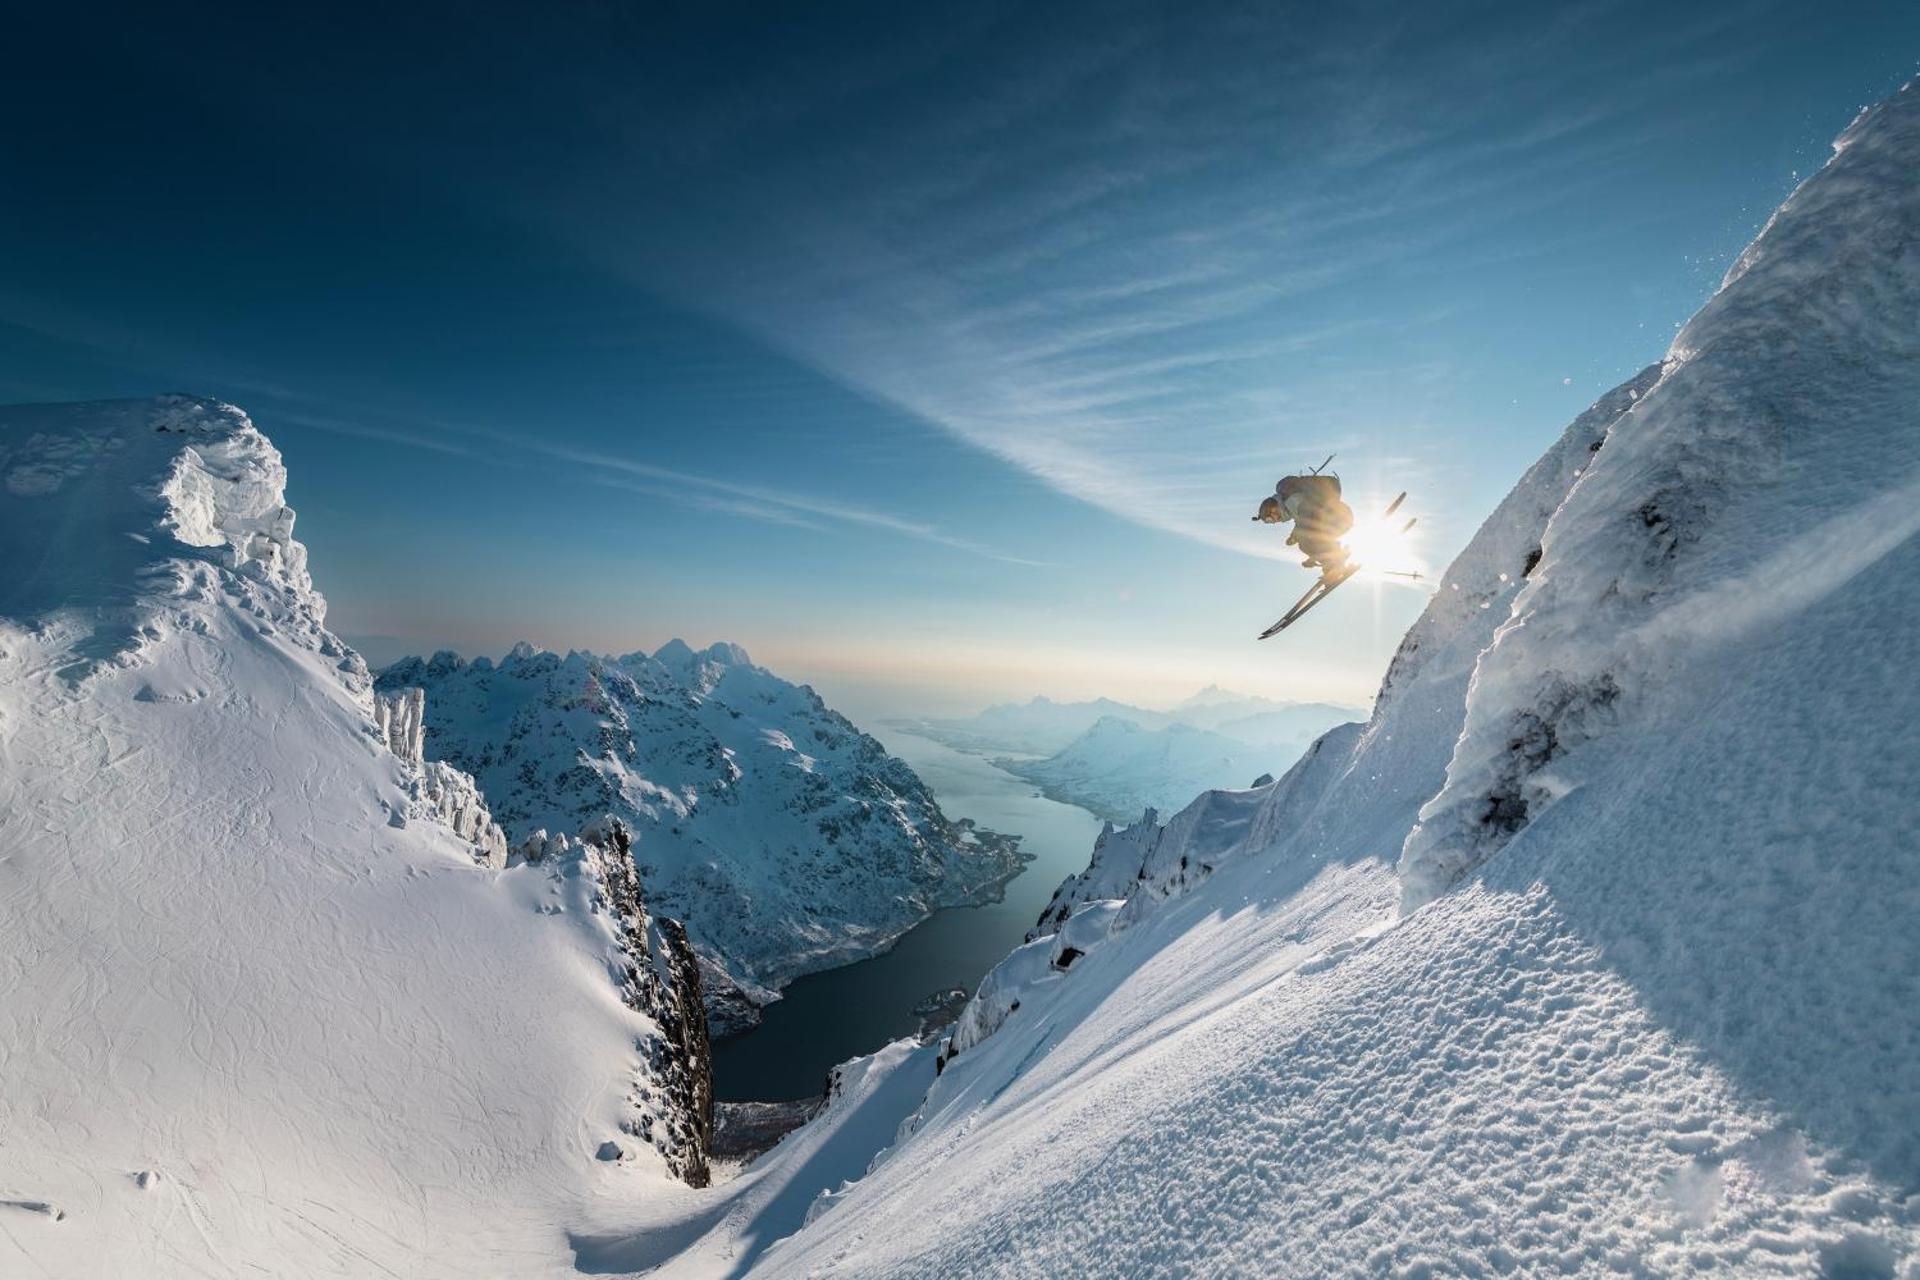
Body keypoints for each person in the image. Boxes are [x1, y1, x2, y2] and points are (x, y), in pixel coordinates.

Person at [1253, 473, 1354, 571]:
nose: (1274, 522)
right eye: (1270, 523)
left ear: (1272, 508)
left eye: (1270, 519)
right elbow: (1305, 520)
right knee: (1306, 542)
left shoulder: (1292, 501)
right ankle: (1334, 561)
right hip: (1341, 518)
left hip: (1337, 517)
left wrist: (1299, 537)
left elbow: (1307, 515)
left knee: (1306, 540)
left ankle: (1334, 564)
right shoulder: (1291, 506)